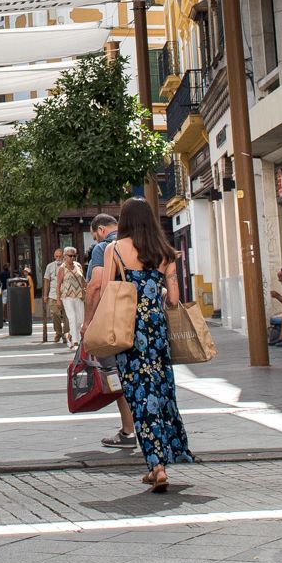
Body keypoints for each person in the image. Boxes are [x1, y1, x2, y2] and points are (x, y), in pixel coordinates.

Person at [88, 199, 193, 493]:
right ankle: (166, 457)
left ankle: (155, 465)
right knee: (160, 390)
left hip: (127, 328)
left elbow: (109, 289)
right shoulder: (164, 251)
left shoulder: (114, 249)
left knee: (138, 394)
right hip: (156, 328)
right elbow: (173, 298)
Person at [84, 213, 140, 450]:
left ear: (100, 229)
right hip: (141, 319)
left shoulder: (104, 248)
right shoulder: (138, 242)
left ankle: (128, 431)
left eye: (95, 234)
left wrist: (88, 323)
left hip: (115, 321)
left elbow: (96, 286)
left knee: (114, 374)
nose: (96, 238)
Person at [43, 245, 79, 345]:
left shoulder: (68, 266)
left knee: (68, 316)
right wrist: (45, 295)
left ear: (63, 256)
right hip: (53, 294)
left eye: (60, 256)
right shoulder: (50, 266)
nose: (58, 258)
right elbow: (46, 281)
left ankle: (66, 334)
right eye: (56, 257)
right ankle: (58, 332)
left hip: (66, 294)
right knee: (55, 314)